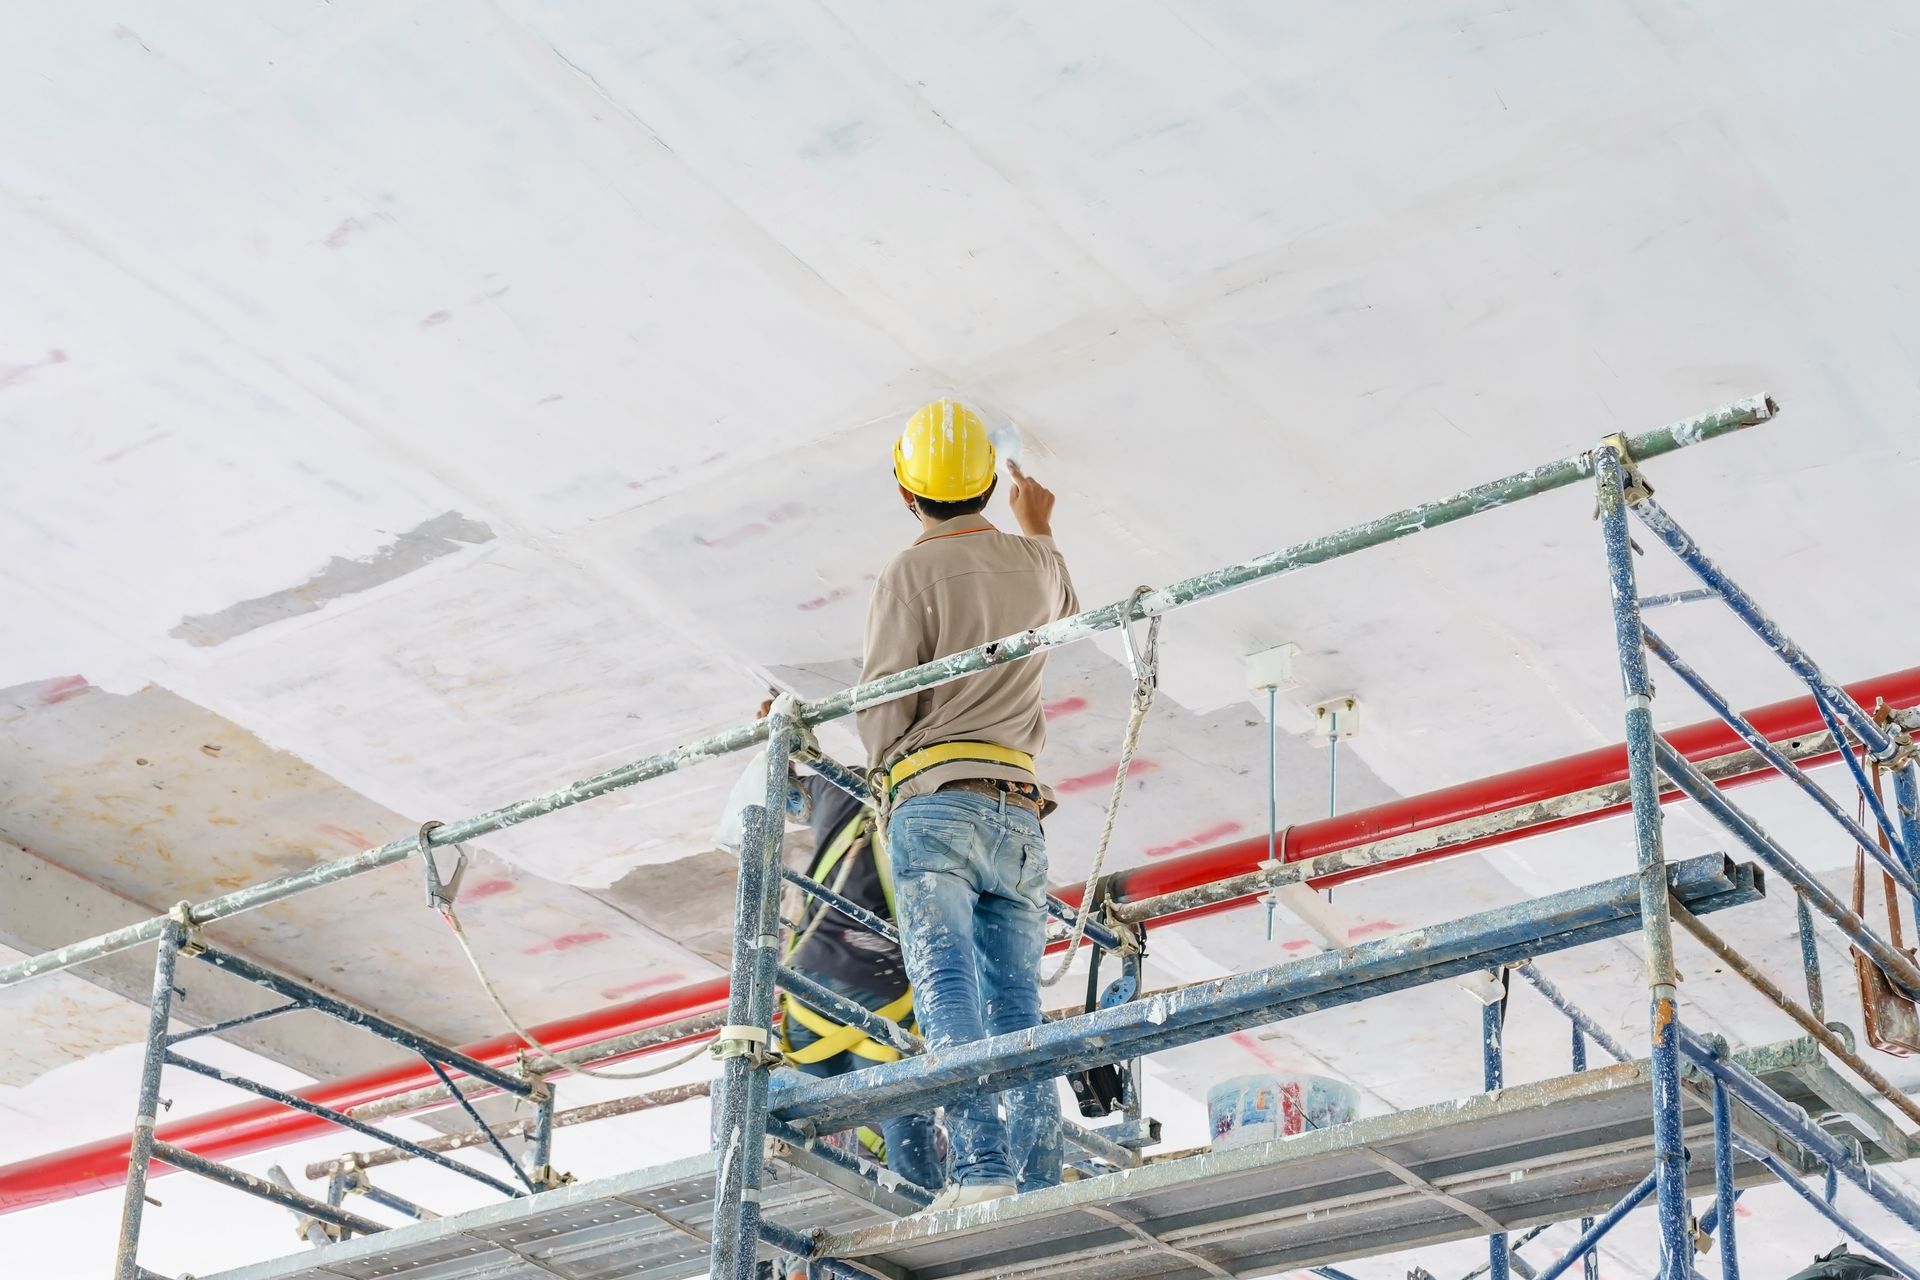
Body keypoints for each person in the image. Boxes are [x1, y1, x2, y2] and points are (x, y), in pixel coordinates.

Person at [857, 398, 1078, 1210]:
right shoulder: (1037, 563)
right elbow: (1062, 611)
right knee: (1017, 1000)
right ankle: (1040, 1179)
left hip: (935, 798)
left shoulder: (907, 572)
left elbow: (883, 701)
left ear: (905, 493)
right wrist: (1039, 528)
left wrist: (888, 787)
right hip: (1019, 807)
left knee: (947, 984)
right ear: (989, 485)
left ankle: (982, 1172)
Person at [730, 701, 942, 1199]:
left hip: (811, 992)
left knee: (807, 1134)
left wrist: (777, 745)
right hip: (878, 982)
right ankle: (925, 1217)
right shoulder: (923, 796)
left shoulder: (832, 784)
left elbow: (788, 798)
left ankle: (770, 1201)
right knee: (900, 1114)